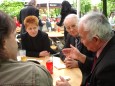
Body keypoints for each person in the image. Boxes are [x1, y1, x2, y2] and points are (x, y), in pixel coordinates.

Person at [56, 12, 115, 86]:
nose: (81, 41)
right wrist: (78, 56)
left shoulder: (108, 67)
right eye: (68, 28)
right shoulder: (106, 44)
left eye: (82, 38)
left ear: (95, 39)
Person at [0, 10, 53, 86]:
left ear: (38, 27)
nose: (33, 30)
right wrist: (38, 53)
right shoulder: (24, 37)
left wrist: (33, 53)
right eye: (30, 29)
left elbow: (46, 52)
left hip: (43, 61)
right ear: (26, 29)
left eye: (35, 28)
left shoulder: (44, 35)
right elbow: (24, 52)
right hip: (31, 62)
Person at [60, 14, 94, 86]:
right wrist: (66, 59)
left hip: (86, 75)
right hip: (72, 71)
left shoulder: (89, 37)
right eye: (68, 28)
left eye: (73, 26)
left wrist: (78, 64)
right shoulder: (70, 36)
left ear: (80, 23)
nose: (71, 30)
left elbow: (95, 62)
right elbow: (62, 52)